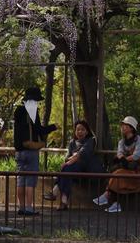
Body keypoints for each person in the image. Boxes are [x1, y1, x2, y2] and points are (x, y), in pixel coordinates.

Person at [12, 85, 58, 216]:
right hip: (30, 151)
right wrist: (53, 127)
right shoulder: (32, 112)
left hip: (19, 151)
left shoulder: (18, 111)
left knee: (21, 180)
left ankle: (21, 207)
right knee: (30, 181)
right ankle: (29, 208)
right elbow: (39, 130)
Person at [92, 115, 140, 213]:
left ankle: (107, 195)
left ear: (131, 128)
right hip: (127, 168)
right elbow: (119, 154)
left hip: (139, 170)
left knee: (118, 174)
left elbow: (136, 156)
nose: (122, 127)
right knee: (117, 174)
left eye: (125, 125)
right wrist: (122, 158)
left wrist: (123, 158)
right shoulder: (122, 142)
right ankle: (115, 203)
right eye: (122, 125)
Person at [43, 120, 101, 210]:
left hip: (85, 169)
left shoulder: (90, 140)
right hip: (73, 169)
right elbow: (67, 157)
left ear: (87, 131)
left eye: (82, 129)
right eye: (78, 129)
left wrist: (71, 159)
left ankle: (55, 192)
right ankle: (63, 201)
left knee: (67, 167)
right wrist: (70, 159)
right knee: (67, 170)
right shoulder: (72, 142)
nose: (80, 132)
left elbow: (82, 153)